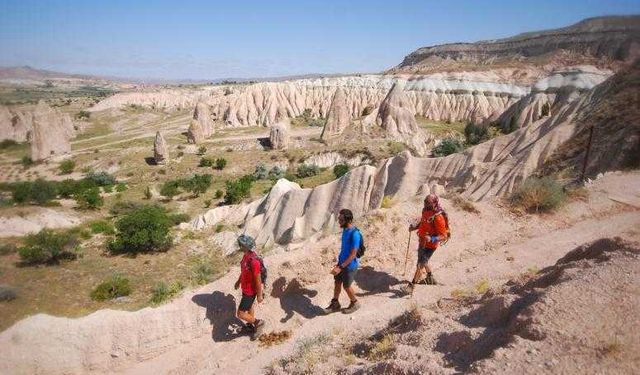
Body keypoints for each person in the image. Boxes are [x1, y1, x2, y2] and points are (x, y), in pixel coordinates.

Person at [404, 194, 447, 294]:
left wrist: (432, 238)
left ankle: (411, 286)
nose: (425, 204)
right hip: (422, 242)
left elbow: (443, 235)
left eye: (428, 202)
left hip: (430, 246)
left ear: (434, 203)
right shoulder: (425, 210)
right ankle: (430, 278)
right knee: (423, 261)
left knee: (420, 264)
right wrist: (414, 227)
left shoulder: (438, 217)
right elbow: (423, 223)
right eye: (425, 201)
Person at [324, 208, 362, 314]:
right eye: (339, 219)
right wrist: (339, 264)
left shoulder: (355, 234)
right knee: (337, 282)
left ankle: (355, 303)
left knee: (347, 286)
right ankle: (335, 303)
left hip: (349, 266)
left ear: (348, 220)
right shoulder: (345, 230)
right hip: (341, 263)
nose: (339, 222)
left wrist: (341, 267)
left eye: (341, 220)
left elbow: (353, 254)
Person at [234, 234, 265, 338]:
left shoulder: (254, 261)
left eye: (241, 245)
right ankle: (250, 326)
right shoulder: (246, 256)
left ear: (246, 246)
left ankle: (258, 323)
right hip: (246, 288)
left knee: (240, 313)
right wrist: (238, 281)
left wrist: (259, 295)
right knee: (250, 307)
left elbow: (258, 279)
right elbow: (243, 271)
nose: (240, 246)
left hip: (250, 291)